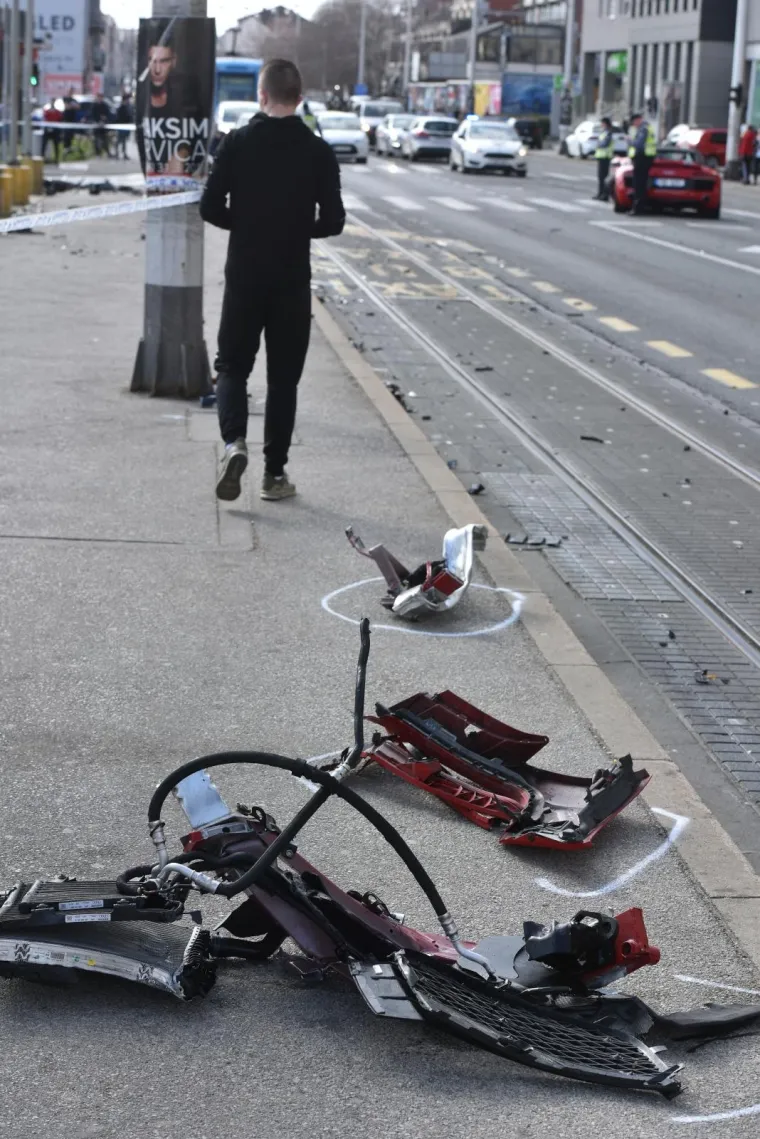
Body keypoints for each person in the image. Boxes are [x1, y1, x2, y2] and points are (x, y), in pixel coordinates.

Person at [200, 59, 346, 503]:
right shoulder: (318, 151)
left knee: (231, 367)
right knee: (283, 380)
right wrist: (297, 228)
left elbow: (209, 207)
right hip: (290, 279)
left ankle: (233, 444)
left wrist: (244, 224)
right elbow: (335, 221)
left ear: (261, 96)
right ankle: (274, 475)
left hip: (244, 274)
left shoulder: (237, 143)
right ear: (299, 99)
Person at [628, 109, 657, 214]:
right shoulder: (646, 128)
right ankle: (639, 206)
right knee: (640, 183)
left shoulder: (643, 129)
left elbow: (639, 144)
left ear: (639, 120)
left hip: (643, 158)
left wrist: (630, 141)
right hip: (645, 158)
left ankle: (638, 207)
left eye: (634, 122)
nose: (634, 124)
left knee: (639, 183)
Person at [593, 116, 614, 201]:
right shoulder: (604, 132)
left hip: (605, 157)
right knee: (601, 177)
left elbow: (605, 144)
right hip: (601, 157)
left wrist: (599, 144)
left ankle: (604, 195)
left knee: (604, 177)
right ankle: (600, 193)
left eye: (602, 123)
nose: (601, 124)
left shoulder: (608, 133)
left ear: (605, 123)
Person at [90, 93, 112, 158]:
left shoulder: (104, 105)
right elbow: (92, 114)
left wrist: (105, 118)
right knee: (96, 140)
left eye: (101, 97)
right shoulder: (94, 105)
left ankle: (107, 152)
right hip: (96, 125)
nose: (100, 98)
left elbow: (108, 114)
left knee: (105, 140)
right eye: (99, 97)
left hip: (103, 126)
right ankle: (97, 153)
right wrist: (97, 120)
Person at [115, 92, 133, 159]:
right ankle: (117, 153)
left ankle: (124, 153)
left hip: (126, 126)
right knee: (119, 140)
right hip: (121, 126)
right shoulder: (121, 108)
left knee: (124, 141)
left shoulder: (128, 107)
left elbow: (130, 117)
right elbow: (119, 118)